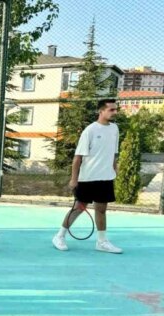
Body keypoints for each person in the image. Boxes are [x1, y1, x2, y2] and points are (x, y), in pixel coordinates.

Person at [52, 99, 122, 253]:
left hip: (106, 178)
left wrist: (115, 171)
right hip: (87, 178)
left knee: (102, 210)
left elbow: (113, 154)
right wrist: (74, 179)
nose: (115, 112)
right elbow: (77, 158)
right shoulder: (89, 131)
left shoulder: (115, 129)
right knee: (79, 208)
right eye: (111, 110)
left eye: (115, 109)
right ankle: (60, 236)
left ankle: (102, 242)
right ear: (101, 111)